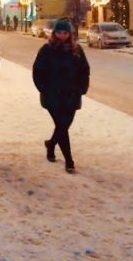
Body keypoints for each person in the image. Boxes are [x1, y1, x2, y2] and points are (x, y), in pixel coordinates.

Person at [32, 18, 90, 174]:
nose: (62, 35)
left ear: (69, 33)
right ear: (54, 33)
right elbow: (37, 71)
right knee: (62, 127)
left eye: (65, 32)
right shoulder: (47, 49)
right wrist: (44, 88)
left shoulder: (76, 50)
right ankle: (69, 161)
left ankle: (51, 144)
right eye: (59, 32)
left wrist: (82, 88)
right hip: (52, 96)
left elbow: (84, 70)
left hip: (71, 95)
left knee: (63, 126)